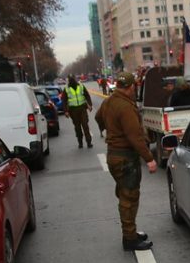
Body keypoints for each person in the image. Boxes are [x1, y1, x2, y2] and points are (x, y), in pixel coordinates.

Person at [95, 72, 157, 251]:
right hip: (125, 157)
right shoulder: (125, 107)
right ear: (131, 87)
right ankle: (129, 238)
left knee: (124, 193)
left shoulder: (109, 101)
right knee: (129, 197)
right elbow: (135, 137)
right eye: (133, 87)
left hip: (114, 155)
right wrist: (149, 159)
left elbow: (98, 118)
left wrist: (111, 131)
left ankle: (130, 232)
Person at [62, 75, 94, 148]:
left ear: (75, 79)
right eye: (70, 79)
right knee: (77, 127)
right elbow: (64, 100)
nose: (72, 80)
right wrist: (66, 111)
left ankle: (89, 142)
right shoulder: (66, 89)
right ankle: (80, 142)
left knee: (85, 125)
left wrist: (90, 105)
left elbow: (87, 95)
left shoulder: (81, 86)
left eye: (72, 79)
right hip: (73, 111)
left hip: (82, 108)